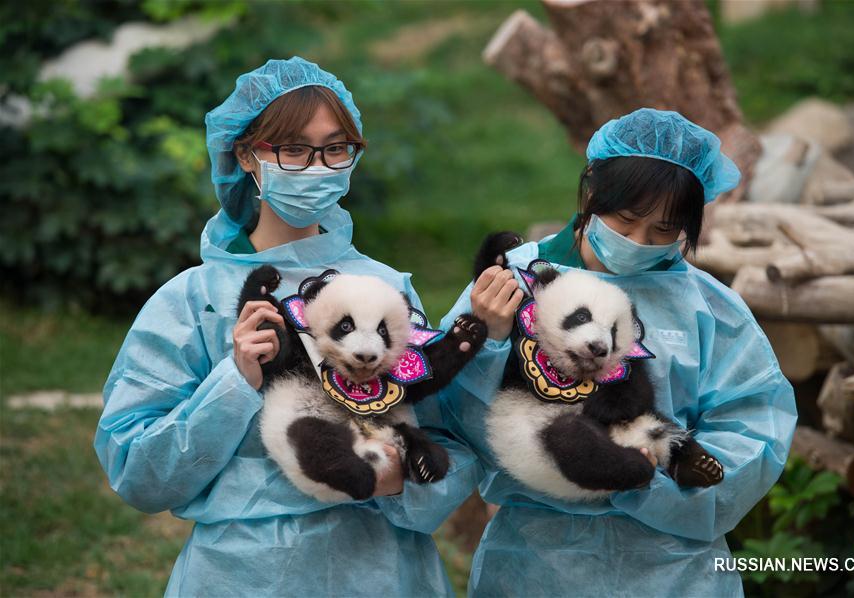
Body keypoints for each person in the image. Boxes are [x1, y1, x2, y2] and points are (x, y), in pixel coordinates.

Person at [94, 57, 480, 597]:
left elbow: (452, 438)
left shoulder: (385, 290)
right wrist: (235, 383)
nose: (317, 167)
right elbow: (139, 472)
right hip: (241, 575)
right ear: (248, 155)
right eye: (294, 150)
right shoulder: (195, 300)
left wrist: (397, 480)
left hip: (381, 572)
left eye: (335, 148)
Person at [438, 108, 797, 597]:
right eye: (625, 221)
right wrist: (492, 339)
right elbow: (448, 414)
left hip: (673, 568)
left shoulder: (710, 308)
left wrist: (653, 484)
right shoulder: (511, 283)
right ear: (591, 192)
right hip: (535, 564)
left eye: (664, 231)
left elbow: (754, 423)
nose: (638, 242)